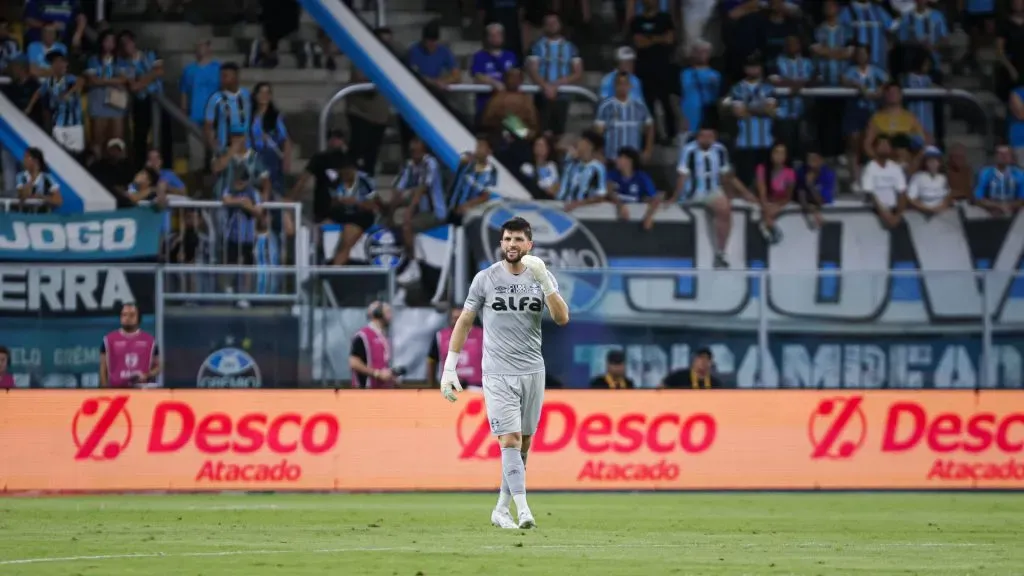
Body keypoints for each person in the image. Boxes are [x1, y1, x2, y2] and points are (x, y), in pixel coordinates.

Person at [440, 216, 570, 530]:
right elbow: (465, 322)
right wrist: (449, 367)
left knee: (523, 443)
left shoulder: (540, 276)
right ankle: (524, 510)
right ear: (502, 243)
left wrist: (546, 281)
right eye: (507, 239)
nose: (511, 245)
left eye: (517, 240)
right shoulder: (485, 279)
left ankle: (501, 509)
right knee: (509, 439)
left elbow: (562, 318)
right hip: (497, 373)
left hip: (532, 371)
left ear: (529, 245)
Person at [644, 128, 745, 268]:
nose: (706, 138)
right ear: (698, 137)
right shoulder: (688, 150)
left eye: (709, 135)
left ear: (714, 137)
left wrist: (731, 193)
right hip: (692, 193)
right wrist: (675, 197)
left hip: (712, 191)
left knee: (724, 209)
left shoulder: (720, 150)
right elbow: (682, 175)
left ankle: (721, 253)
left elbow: (725, 175)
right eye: (702, 136)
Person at [526, 12, 583, 136]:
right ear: (544, 26)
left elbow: (578, 73)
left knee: (558, 133)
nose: (551, 25)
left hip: (562, 96)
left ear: (560, 25)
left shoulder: (571, 47)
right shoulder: (536, 47)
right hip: (542, 95)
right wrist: (546, 87)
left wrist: (556, 85)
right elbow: (532, 70)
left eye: (554, 22)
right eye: (548, 23)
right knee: (541, 132)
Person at [120, 30, 169, 168]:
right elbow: (133, 86)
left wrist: (142, 80)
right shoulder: (124, 63)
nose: (127, 46)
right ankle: (139, 166)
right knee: (140, 136)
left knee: (163, 133)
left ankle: (164, 165)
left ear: (134, 42)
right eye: (123, 44)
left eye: (128, 42)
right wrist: (149, 78)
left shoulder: (150, 54)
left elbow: (159, 71)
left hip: (158, 98)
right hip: (141, 101)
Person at [842, 43, 888, 188]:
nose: (861, 56)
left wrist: (881, 89)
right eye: (859, 53)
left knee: (869, 144)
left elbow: (888, 81)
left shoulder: (875, 70)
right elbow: (843, 80)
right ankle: (855, 178)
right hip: (854, 111)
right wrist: (856, 85)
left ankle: (870, 177)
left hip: (871, 112)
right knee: (854, 144)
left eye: (864, 53)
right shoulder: (851, 71)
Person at [811, 0, 852, 160]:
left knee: (841, 118)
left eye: (831, 5)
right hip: (823, 82)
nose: (828, 8)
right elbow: (815, 51)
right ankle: (825, 153)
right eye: (825, 5)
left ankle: (840, 153)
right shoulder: (818, 30)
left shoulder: (847, 30)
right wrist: (838, 52)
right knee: (824, 119)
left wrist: (826, 52)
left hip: (842, 82)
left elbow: (849, 53)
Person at [631, 0, 677, 144]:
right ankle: (652, 137)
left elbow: (670, 39)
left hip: (663, 68)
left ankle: (671, 134)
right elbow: (639, 42)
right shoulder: (636, 21)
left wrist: (649, 38)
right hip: (644, 69)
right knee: (647, 105)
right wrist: (659, 38)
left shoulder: (665, 18)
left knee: (666, 102)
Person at [727, 55, 776, 188]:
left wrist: (748, 109)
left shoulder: (768, 88)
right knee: (745, 179)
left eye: (756, 66)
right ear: (745, 69)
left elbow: (771, 111)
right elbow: (738, 113)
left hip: (765, 141)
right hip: (744, 142)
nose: (753, 70)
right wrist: (761, 108)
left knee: (766, 180)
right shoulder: (737, 88)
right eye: (750, 67)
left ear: (760, 68)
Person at [25, 51, 84, 154]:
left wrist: (69, 93)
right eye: (56, 62)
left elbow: (81, 81)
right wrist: (29, 107)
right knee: (60, 153)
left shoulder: (71, 79)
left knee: (76, 155)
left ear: (66, 64)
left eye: (62, 62)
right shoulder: (49, 82)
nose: (60, 65)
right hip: (58, 124)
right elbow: (38, 93)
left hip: (75, 125)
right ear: (52, 65)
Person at [770, 35, 815, 160]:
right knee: (785, 146)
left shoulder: (808, 63)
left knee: (804, 145)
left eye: (795, 43)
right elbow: (774, 80)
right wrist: (795, 84)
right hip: (783, 113)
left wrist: (800, 85)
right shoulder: (777, 61)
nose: (792, 46)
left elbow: (815, 80)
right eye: (789, 43)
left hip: (804, 112)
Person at [290, 128, 347, 225]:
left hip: (344, 211)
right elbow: (303, 179)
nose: (336, 141)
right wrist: (292, 198)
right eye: (333, 138)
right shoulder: (320, 158)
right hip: (322, 211)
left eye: (338, 138)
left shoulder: (348, 160)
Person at [84, 30, 128, 155]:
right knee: (98, 139)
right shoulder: (93, 60)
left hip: (116, 104)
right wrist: (113, 80)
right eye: (107, 41)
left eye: (112, 41)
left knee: (117, 141)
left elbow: (123, 79)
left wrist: (102, 80)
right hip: (98, 103)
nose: (109, 44)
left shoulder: (120, 61)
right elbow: (93, 80)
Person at [179, 39, 221, 171]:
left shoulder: (218, 68)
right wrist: (184, 112)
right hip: (194, 119)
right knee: (196, 158)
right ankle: (197, 189)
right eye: (197, 45)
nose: (199, 48)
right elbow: (184, 92)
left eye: (202, 45)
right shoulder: (188, 70)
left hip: (215, 119)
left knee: (217, 156)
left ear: (209, 48)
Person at [594, 72, 653, 164]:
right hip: (612, 159)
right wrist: (599, 153)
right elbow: (598, 133)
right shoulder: (606, 107)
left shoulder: (640, 107)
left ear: (630, 86)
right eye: (619, 84)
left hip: (634, 160)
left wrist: (647, 150)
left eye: (625, 84)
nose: (622, 87)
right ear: (614, 85)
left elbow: (650, 126)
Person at [864, 83, 928, 168]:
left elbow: (922, 143)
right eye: (889, 93)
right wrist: (877, 162)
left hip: (906, 162)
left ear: (900, 95)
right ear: (884, 95)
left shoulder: (911, 118)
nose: (892, 95)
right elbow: (867, 145)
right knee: (883, 142)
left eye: (895, 92)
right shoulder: (876, 118)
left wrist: (914, 164)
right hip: (884, 162)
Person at [330, 155, 378, 266]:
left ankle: (335, 267)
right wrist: (339, 201)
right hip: (342, 213)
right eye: (342, 170)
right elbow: (329, 204)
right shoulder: (335, 181)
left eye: (348, 170)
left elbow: (372, 205)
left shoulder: (365, 181)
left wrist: (356, 202)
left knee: (346, 240)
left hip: (361, 215)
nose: (345, 173)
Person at [99, 303, 161, 388]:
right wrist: (105, 389)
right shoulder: (108, 340)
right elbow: (103, 368)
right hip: (116, 390)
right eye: (124, 315)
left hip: (142, 391)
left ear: (138, 318)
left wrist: (147, 375)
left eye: (132, 315)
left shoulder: (150, 341)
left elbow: (158, 366)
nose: (127, 318)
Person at [557, 131, 619, 215]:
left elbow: (600, 196)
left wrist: (578, 204)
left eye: (581, 141)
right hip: (562, 210)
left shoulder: (598, 168)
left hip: (584, 213)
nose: (578, 144)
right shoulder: (571, 164)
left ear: (588, 145)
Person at [471, 22, 518, 126]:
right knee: (486, 138)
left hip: (508, 108)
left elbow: (515, 75)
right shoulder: (479, 56)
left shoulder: (510, 55)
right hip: (486, 109)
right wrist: (494, 83)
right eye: (492, 35)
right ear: (487, 38)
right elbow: (477, 76)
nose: (495, 38)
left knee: (521, 132)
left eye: (498, 34)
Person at [427, 306, 483, 391]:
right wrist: (432, 385)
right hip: (449, 388)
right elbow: (432, 360)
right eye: (454, 318)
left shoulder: (482, 335)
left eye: (459, 318)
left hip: (476, 387)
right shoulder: (440, 336)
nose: (457, 321)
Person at [448, 136, 499, 225]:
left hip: (466, 214)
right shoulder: (467, 160)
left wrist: (467, 205)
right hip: (450, 207)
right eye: (478, 145)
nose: (478, 149)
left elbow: (485, 196)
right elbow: (459, 163)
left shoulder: (492, 171)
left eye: (481, 146)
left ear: (489, 152)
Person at [860, 136, 907, 229]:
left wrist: (898, 215)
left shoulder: (895, 168)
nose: (885, 147)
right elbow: (870, 194)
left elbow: (902, 192)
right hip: (875, 211)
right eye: (882, 144)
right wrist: (885, 215)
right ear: (875, 148)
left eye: (887, 145)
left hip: (894, 210)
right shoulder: (870, 168)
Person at [349, 301, 399, 389]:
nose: (391, 316)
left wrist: (390, 377)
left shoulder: (383, 336)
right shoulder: (363, 335)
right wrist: (377, 374)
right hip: (366, 389)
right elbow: (354, 362)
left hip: (380, 390)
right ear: (378, 314)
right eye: (387, 312)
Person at [678, 40, 721, 140]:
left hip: (707, 120)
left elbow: (717, 98)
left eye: (705, 51)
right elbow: (676, 96)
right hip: (687, 118)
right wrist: (680, 117)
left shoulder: (715, 75)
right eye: (698, 51)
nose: (701, 54)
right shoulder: (684, 74)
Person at [204, 63, 252, 152]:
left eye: (225, 76)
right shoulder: (215, 98)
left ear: (235, 77)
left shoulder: (247, 95)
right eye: (221, 76)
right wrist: (212, 143)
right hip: (225, 148)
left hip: (246, 148)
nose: (222, 79)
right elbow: (208, 124)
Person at [756, 141, 796, 244]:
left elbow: (788, 196)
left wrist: (777, 207)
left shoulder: (790, 173)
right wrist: (766, 209)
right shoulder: (762, 169)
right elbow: (762, 193)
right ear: (771, 154)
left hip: (780, 203)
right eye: (776, 152)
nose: (779, 156)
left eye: (782, 153)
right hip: (764, 203)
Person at [481, 67, 539, 138]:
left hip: (521, 139)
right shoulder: (496, 99)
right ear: (506, 79)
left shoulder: (526, 100)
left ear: (521, 80)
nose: (513, 80)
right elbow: (487, 120)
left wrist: (520, 130)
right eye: (511, 77)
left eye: (516, 77)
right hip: (499, 136)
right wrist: (505, 120)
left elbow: (533, 124)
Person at [973, 145, 1024, 217]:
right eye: (1000, 154)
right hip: (989, 209)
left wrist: (1008, 206)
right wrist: (998, 206)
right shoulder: (985, 173)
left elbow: (1022, 199)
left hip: (1014, 210)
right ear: (995, 156)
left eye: (1006, 154)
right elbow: (978, 199)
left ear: (1012, 157)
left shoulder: (1019, 173)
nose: (1003, 156)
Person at [795, 149, 836, 228]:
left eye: (814, 159)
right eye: (809, 160)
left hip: (825, 207)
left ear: (821, 160)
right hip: (808, 207)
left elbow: (821, 201)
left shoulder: (828, 174)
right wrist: (809, 208)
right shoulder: (802, 172)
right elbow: (801, 195)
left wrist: (811, 185)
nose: (811, 163)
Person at [907, 146, 951, 215]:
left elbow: (947, 196)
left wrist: (942, 207)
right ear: (925, 162)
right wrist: (928, 209)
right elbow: (912, 198)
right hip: (922, 213)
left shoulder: (943, 178)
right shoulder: (917, 177)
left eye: (935, 160)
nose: (933, 163)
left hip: (941, 213)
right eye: (930, 160)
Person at [16, 147, 61, 212]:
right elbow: (22, 196)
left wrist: (41, 197)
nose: (24, 160)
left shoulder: (47, 178)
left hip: (42, 218)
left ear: (35, 161)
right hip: (25, 216)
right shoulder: (21, 177)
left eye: (26, 157)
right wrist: (31, 179)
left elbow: (58, 201)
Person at [661, 347, 725, 388]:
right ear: (694, 360)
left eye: (708, 359)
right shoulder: (679, 377)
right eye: (701, 358)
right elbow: (663, 387)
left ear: (711, 363)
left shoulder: (715, 383)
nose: (704, 362)